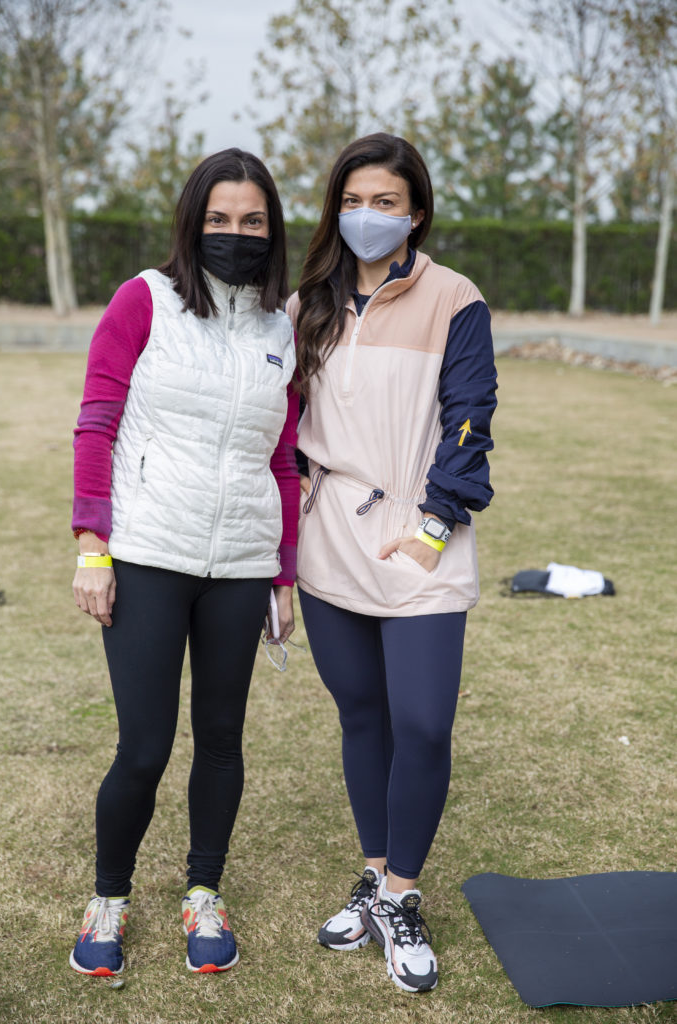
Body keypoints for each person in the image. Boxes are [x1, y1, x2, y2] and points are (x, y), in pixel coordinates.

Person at [69, 149, 299, 977]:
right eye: (218, 219)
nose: (235, 233)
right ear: (191, 223)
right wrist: (92, 549)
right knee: (143, 748)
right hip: (148, 554)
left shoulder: (282, 328)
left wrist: (282, 574)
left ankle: (204, 891)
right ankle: (109, 897)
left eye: (252, 221)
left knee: (223, 739)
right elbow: (96, 424)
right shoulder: (144, 299)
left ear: (272, 230)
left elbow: (283, 459)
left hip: (239, 563)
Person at [288, 133, 497, 994]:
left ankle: (403, 893)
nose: (366, 216)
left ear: (415, 213)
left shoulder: (454, 297)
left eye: (385, 202)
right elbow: (281, 427)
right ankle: (376, 878)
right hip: (328, 540)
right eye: (352, 201)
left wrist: (435, 526)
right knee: (363, 716)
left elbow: (471, 415)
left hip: (419, 536)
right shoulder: (305, 304)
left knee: (423, 725)